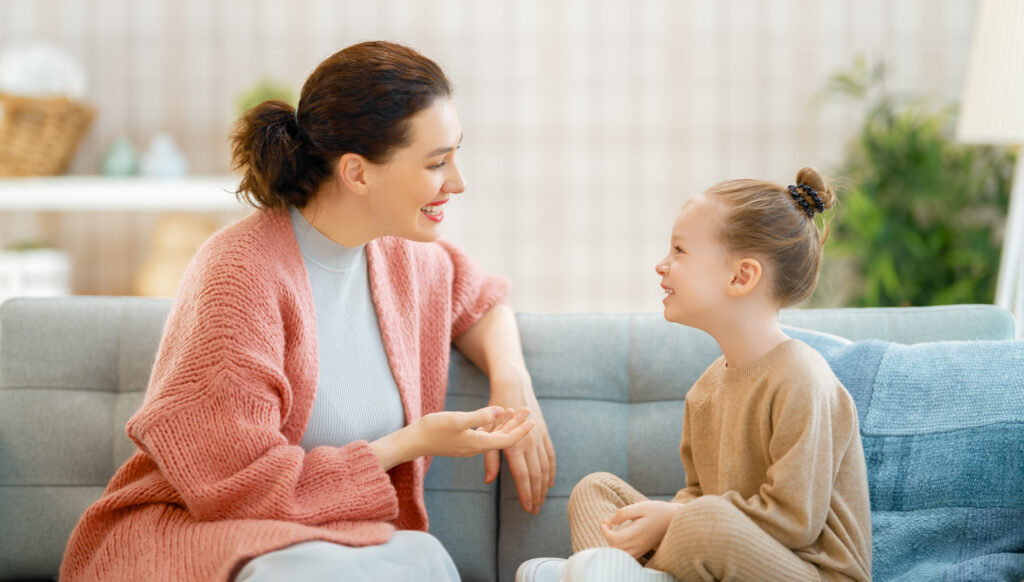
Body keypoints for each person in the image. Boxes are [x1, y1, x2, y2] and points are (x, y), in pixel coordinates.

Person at [59, 41, 556, 582]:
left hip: (323, 542)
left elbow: (479, 298)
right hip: (200, 537)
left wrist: (511, 380)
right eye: (438, 162)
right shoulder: (240, 273)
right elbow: (238, 487)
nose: (456, 182)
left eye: (455, 155)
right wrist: (412, 441)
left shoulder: (405, 260)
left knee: (426, 560)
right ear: (357, 173)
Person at [562, 168, 871, 582]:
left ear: (741, 276)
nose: (661, 265)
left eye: (679, 251)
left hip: (810, 571)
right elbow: (696, 494)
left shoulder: (802, 377)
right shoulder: (705, 389)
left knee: (700, 524)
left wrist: (675, 519)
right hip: (719, 549)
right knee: (594, 491)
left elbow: (795, 522)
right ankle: (621, 573)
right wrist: (671, 516)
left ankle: (610, 574)